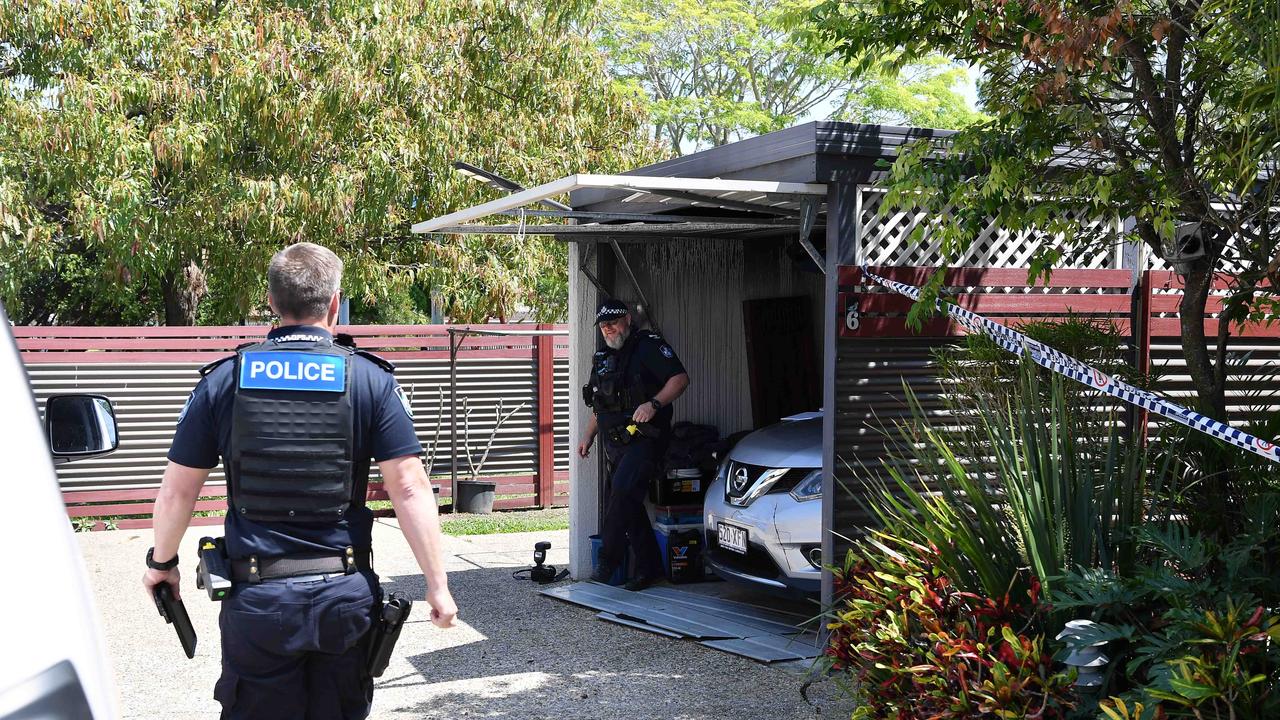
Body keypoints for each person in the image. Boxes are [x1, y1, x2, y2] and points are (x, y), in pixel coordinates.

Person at [141, 242, 458, 720]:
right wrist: (437, 585)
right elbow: (410, 487)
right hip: (342, 598)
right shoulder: (371, 380)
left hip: (258, 602)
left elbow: (177, 491)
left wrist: (161, 563)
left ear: (271, 303)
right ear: (334, 303)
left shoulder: (224, 380)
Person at [577, 299, 689, 591]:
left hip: (646, 438)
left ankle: (608, 560)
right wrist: (588, 436)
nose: (607, 329)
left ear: (627, 319)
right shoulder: (603, 357)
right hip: (615, 442)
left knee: (622, 492)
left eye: (612, 322)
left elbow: (680, 379)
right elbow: (600, 404)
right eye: (603, 325)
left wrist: (654, 404)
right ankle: (649, 569)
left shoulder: (647, 345)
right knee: (628, 504)